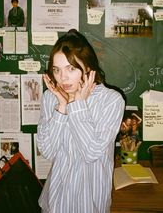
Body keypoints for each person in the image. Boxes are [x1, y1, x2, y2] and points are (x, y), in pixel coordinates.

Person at [37, 29, 125, 213]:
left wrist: (77, 105)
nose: (63, 78)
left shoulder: (111, 100)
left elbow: (91, 153)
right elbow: (47, 151)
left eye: (71, 68)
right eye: (57, 70)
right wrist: (62, 107)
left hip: (89, 202)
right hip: (55, 199)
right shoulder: (50, 97)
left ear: (87, 67)